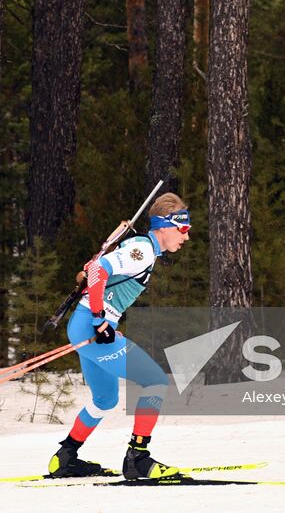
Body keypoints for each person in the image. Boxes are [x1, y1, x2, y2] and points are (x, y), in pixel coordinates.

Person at [47, 193, 192, 480]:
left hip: (84, 325)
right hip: (91, 325)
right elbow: (99, 270)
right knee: (155, 381)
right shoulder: (143, 250)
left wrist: (107, 319)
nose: (186, 237)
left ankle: (65, 458)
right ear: (165, 226)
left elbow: (102, 277)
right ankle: (138, 458)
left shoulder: (145, 250)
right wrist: (101, 319)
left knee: (104, 399)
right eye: (183, 229)